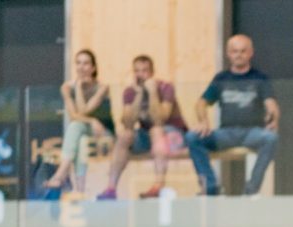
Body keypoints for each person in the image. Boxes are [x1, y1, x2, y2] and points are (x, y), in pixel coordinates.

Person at [186, 34, 280, 196]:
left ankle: (251, 189)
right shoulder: (221, 79)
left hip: (252, 132)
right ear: (228, 54)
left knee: (271, 138)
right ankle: (210, 186)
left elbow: (271, 104)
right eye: (235, 51)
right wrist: (203, 121)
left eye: (243, 51)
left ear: (251, 53)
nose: (239, 55)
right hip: (225, 133)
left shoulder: (260, 78)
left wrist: (273, 118)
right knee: (192, 137)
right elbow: (201, 103)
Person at [97, 55, 188, 200]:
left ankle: (159, 185)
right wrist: (138, 95)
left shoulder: (165, 87)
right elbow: (127, 123)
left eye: (145, 71)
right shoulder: (130, 91)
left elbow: (160, 119)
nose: (141, 75)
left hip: (172, 134)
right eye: (137, 71)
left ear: (152, 72)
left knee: (156, 130)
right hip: (148, 136)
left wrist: (152, 92)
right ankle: (111, 188)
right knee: (124, 135)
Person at [43, 49, 114, 196]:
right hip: (86, 129)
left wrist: (79, 88)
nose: (81, 67)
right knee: (78, 134)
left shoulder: (102, 88)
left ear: (93, 68)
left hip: (103, 132)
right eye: (78, 63)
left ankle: (60, 174)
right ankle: (79, 189)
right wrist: (92, 120)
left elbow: (84, 110)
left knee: (77, 128)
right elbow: (74, 115)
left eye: (86, 63)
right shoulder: (66, 87)